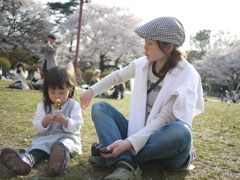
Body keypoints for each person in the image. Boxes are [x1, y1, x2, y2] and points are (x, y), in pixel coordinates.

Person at [80, 16, 204, 180]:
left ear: (168, 47)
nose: (144, 47)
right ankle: (124, 162)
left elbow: (163, 119)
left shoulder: (187, 76)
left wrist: (129, 143)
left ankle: (113, 157)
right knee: (100, 107)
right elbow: (117, 76)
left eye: (150, 44)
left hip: (164, 146)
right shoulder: (143, 64)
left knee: (181, 132)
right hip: (138, 132)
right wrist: (91, 91)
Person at [1, 66, 83, 176]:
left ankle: (58, 162)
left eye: (61, 93)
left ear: (70, 89)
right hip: (46, 137)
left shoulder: (73, 105)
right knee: (39, 147)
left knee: (64, 146)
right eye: (53, 93)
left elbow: (78, 124)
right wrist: (44, 122)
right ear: (47, 90)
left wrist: (66, 121)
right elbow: (37, 126)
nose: (57, 96)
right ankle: (27, 160)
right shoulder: (43, 105)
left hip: (67, 137)